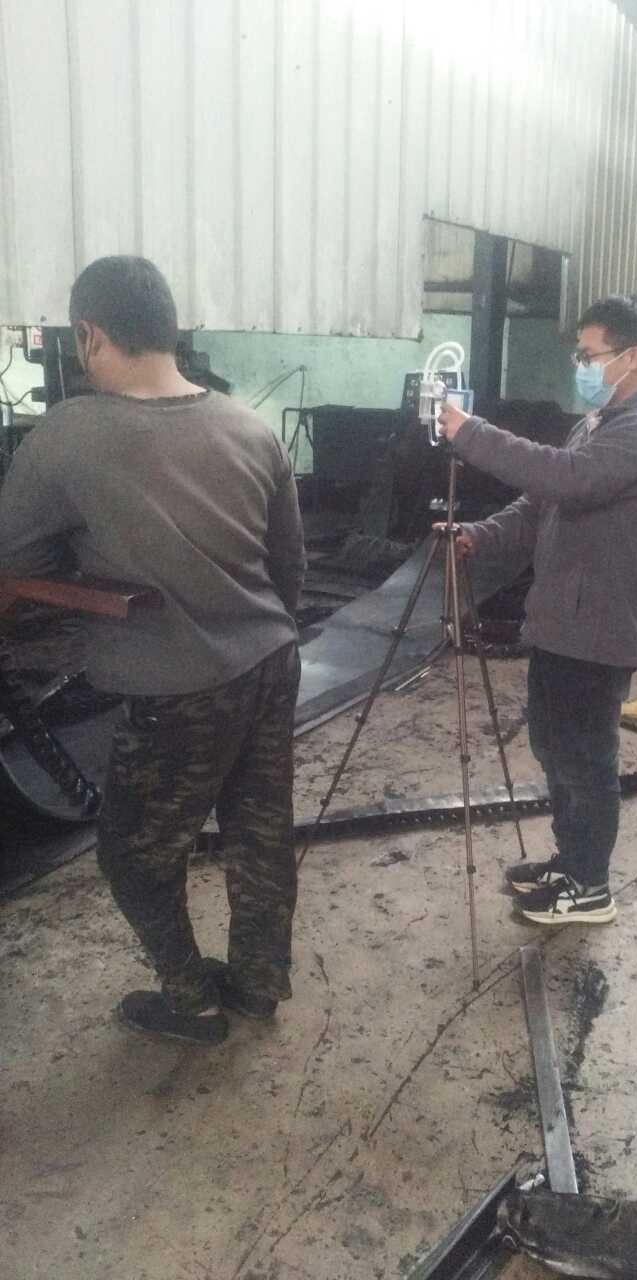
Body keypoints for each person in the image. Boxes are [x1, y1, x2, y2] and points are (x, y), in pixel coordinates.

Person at [0, 256, 306, 1043]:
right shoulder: (249, 426)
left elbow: (14, 560)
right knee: (259, 832)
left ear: (89, 334)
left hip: (178, 687)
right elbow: (290, 568)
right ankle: (258, 986)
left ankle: (190, 1000)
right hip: (272, 662)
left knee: (133, 857)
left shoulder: (69, 434)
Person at [436, 295, 637, 926]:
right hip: (561, 622)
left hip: (599, 629)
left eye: (589, 354)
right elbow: (541, 502)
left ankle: (591, 887)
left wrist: (472, 433)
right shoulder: (598, 423)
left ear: (631, 356)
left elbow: (567, 478)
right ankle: (571, 862)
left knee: (586, 760)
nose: (581, 365)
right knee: (554, 748)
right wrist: (481, 535)